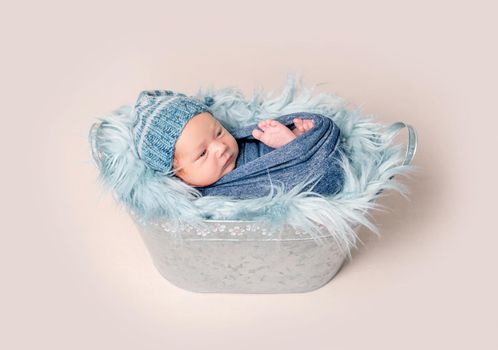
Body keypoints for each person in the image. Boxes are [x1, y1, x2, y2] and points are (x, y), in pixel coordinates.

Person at [132, 90, 315, 187]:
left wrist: (294, 142)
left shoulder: (252, 147)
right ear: (178, 175)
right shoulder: (193, 204)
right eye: (203, 153)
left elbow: (306, 172)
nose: (220, 147)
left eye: (219, 132)